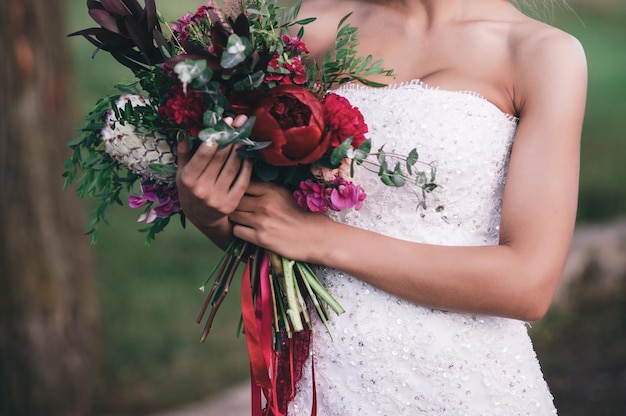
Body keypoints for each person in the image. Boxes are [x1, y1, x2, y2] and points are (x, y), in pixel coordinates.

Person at [176, 0, 587, 414]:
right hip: (322, 382)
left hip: (465, 386)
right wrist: (209, 211)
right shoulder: (307, 30)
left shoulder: (540, 53)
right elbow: (272, 230)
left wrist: (323, 239)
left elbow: (527, 284)